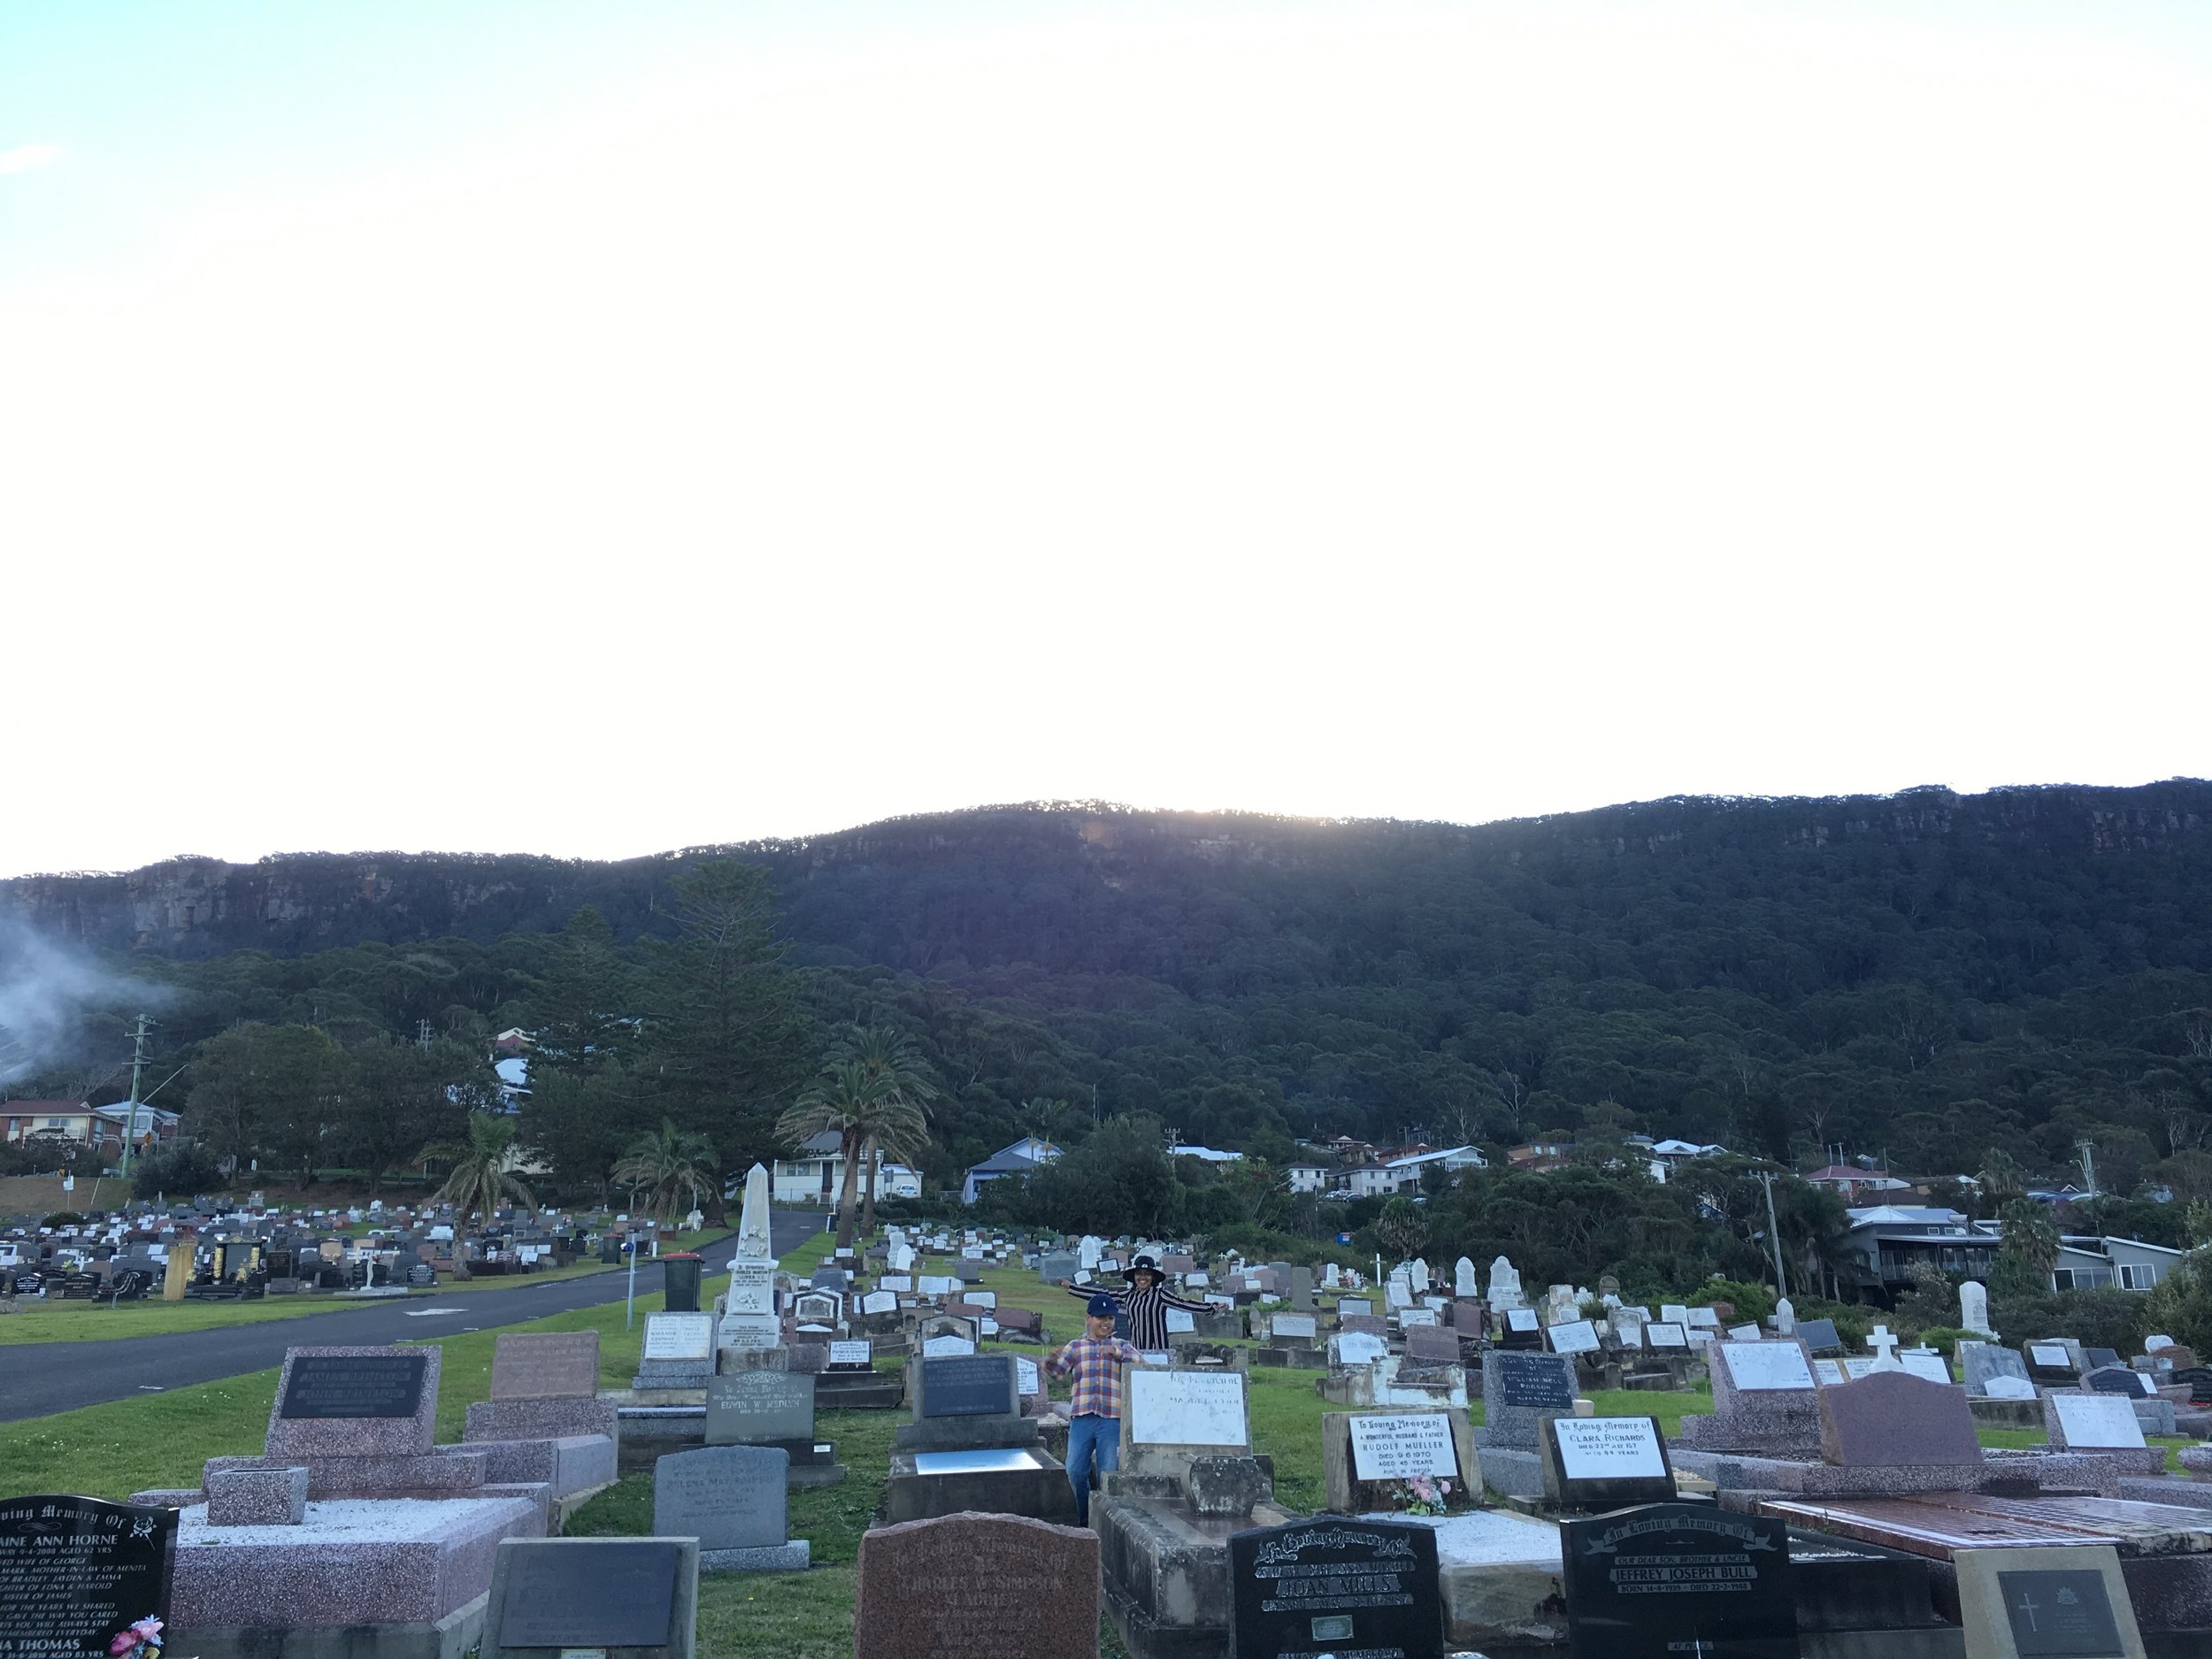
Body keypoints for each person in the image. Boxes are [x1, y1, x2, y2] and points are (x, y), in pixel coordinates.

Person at [1046, 1293, 1141, 1525]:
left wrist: (1117, 1354)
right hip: (1082, 1417)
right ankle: (1086, 1517)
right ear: (1088, 1318)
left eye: (1109, 1318)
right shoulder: (1076, 1347)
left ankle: (1105, 1525)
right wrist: (1050, 1362)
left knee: (1107, 1474)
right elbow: (1058, 1373)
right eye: (1100, 1318)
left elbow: (1144, 1365)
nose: (1105, 1323)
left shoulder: (1121, 1345)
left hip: (1112, 1418)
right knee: (1075, 1471)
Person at [1058, 1255, 1208, 1350]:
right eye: (1139, 1274)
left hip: (1159, 1350)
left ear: (1153, 1277)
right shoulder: (1127, 1295)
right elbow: (1101, 1295)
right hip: (1136, 1350)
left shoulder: (1161, 1295)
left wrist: (1212, 1307)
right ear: (1134, 1277)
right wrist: (1072, 1287)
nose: (1143, 1278)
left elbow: (1186, 1304)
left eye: (1147, 1274)